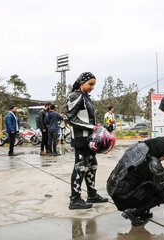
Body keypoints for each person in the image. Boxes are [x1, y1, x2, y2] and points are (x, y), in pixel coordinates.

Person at [107, 137, 164, 226]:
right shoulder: (152, 163)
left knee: (153, 182)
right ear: (161, 151)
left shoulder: (141, 148)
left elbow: (160, 171)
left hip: (114, 188)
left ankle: (142, 211)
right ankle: (134, 211)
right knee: (157, 191)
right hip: (123, 196)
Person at [66, 72, 108, 210]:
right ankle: (75, 199)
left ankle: (92, 194)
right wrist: (92, 127)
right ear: (81, 82)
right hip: (80, 138)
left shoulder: (86, 97)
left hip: (90, 139)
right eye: (90, 84)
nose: (92, 87)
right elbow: (71, 118)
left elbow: (88, 119)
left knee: (92, 165)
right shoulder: (75, 96)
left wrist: (99, 126)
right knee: (80, 167)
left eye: (94, 84)